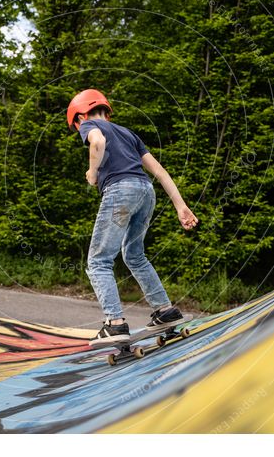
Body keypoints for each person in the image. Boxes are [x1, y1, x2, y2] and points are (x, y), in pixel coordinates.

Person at [67, 89, 198, 345]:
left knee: (98, 260)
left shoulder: (89, 124)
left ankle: (115, 324)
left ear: (79, 117)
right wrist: (180, 206)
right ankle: (165, 311)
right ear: (107, 110)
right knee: (134, 254)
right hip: (145, 191)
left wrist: (93, 172)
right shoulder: (128, 133)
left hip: (121, 192)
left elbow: (97, 142)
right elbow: (159, 171)